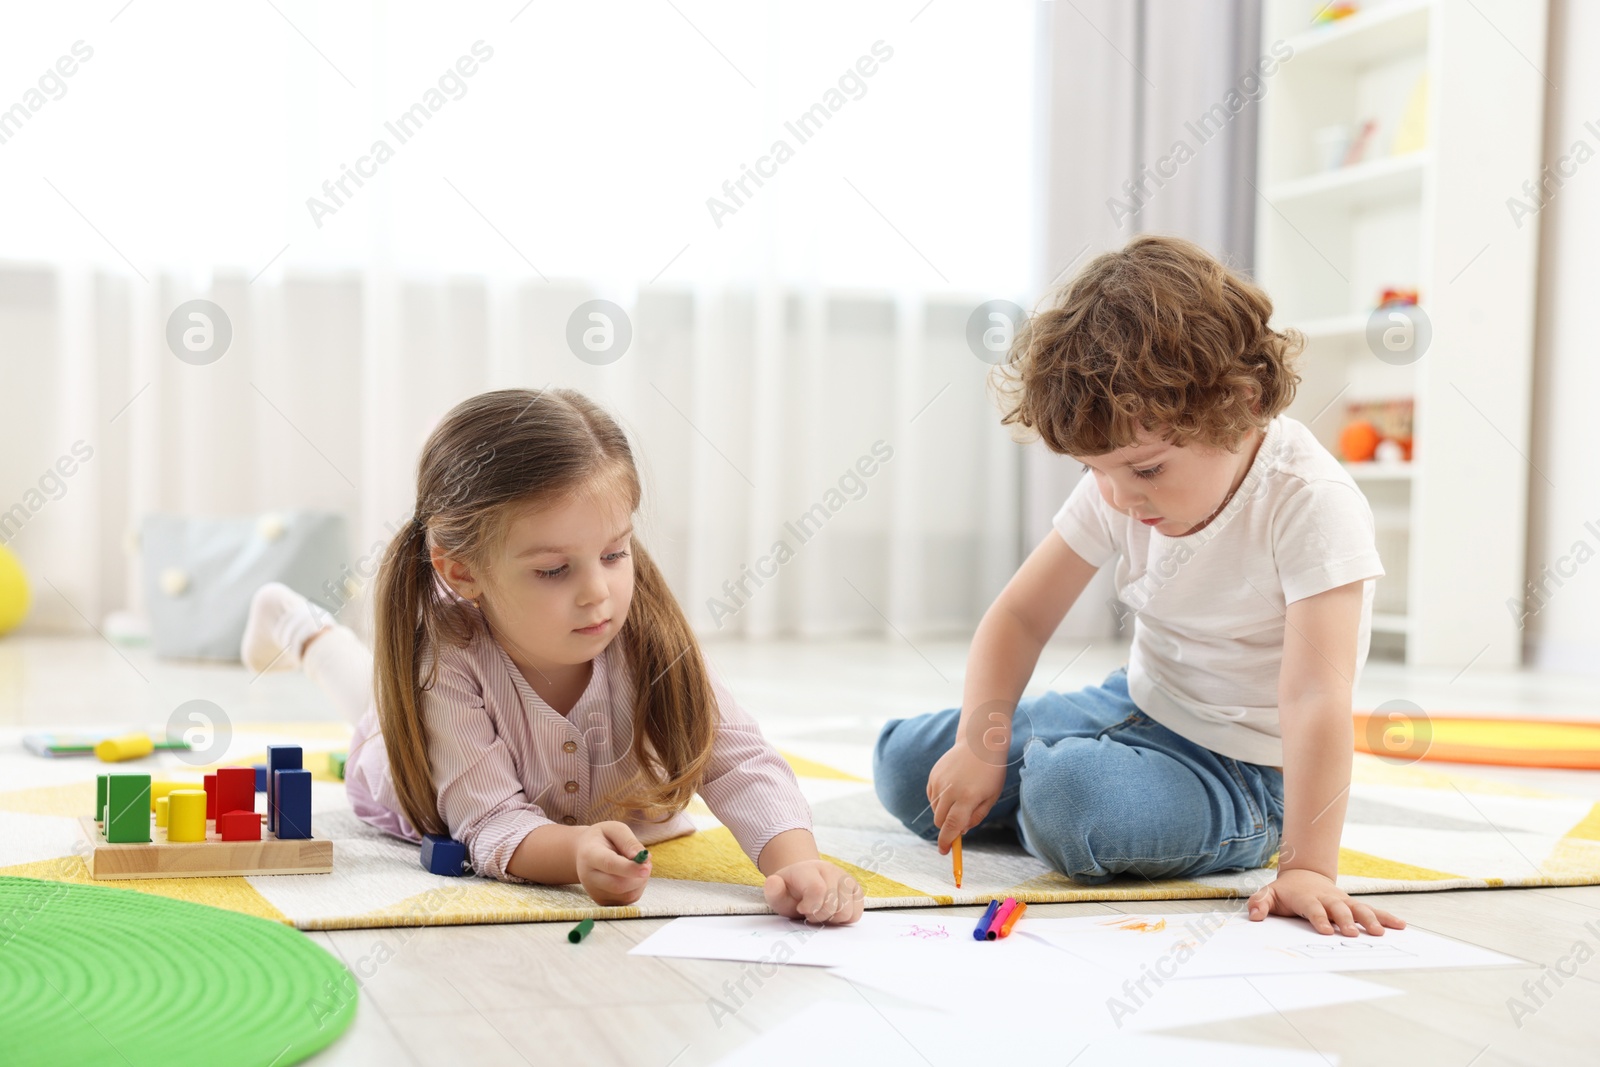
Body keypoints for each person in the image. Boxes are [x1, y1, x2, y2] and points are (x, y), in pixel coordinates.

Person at [873, 234, 1405, 937]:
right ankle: (1041, 784)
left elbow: (1316, 697)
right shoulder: (1124, 479)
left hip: (1245, 769)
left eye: (1145, 471)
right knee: (907, 763)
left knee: (1066, 799)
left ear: (1241, 402)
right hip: (1135, 702)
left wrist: (1309, 866)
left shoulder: (1309, 502)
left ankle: (1057, 790)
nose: (1120, 498)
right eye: (1097, 471)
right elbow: (1022, 616)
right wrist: (979, 742)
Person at [243, 387, 862, 924]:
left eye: (615, 554)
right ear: (460, 572)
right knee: (373, 713)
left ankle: (300, 624)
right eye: (554, 570)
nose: (599, 592)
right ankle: (299, 625)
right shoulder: (446, 659)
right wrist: (572, 855)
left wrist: (796, 863)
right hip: (419, 775)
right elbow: (489, 823)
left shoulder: (647, 633)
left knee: (379, 696)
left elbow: (736, 760)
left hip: (582, 797)